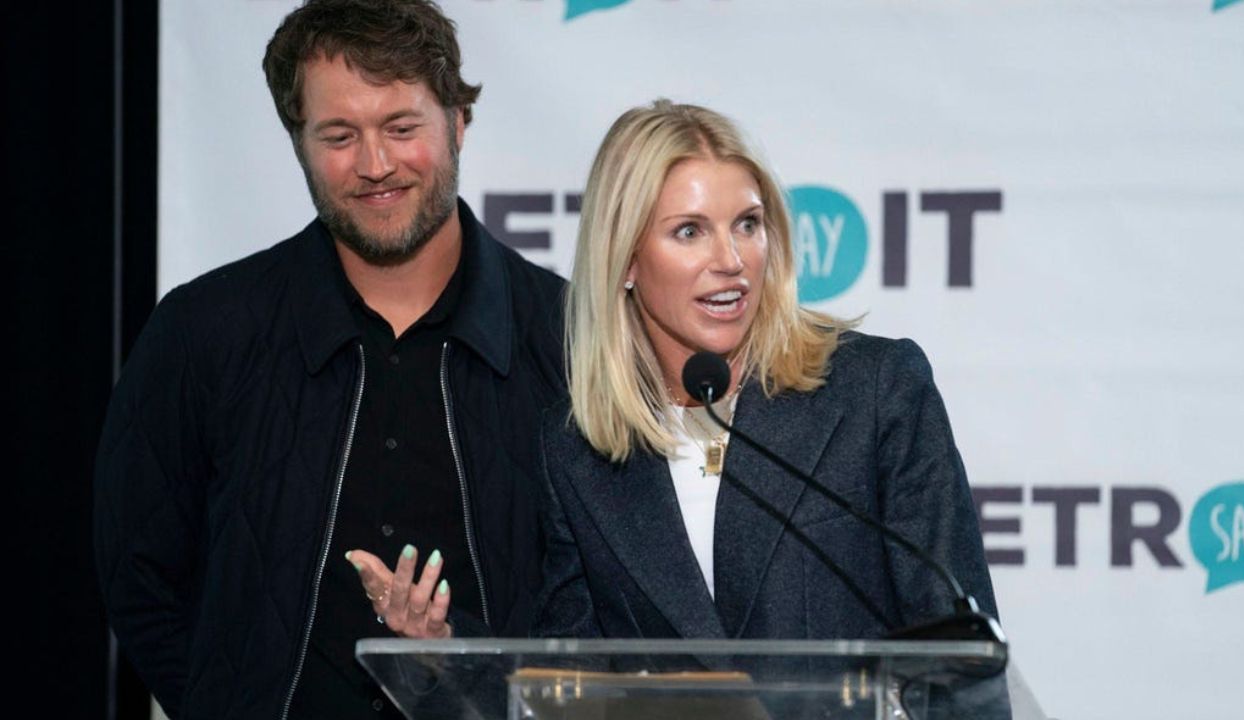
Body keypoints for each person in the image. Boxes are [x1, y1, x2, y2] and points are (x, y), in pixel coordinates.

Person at [93, 1, 565, 717]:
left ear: (458, 123)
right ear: (299, 143)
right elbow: (138, 571)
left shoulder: (568, 336)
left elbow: (602, 593)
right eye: (339, 135)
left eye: (402, 128)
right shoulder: (204, 330)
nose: (375, 166)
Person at [535, 100, 996, 646]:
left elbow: (961, 658)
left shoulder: (876, 390)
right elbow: (571, 681)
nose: (730, 259)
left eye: (748, 224)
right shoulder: (574, 451)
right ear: (626, 259)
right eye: (689, 231)